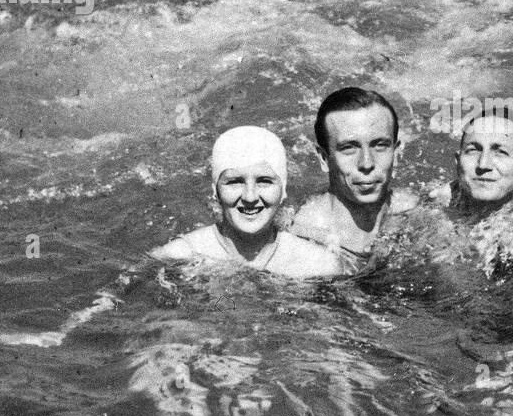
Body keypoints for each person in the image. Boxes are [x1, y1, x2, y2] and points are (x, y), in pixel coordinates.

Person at [153, 126, 343, 277]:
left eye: (264, 181)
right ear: (216, 191)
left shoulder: (318, 266)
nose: (250, 197)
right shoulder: (179, 256)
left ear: (283, 190)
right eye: (234, 182)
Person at [290, 87, 417, 271]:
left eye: (379, 145)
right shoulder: (304, 237)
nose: (366, 163)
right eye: (349, 148)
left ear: (396, 153)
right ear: (324, 159)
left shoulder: (413, 212)